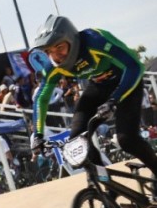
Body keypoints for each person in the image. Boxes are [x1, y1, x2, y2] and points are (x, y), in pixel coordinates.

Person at [28, 15, 157, 198]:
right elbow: (41, 98)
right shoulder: (53, 65)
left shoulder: (95, 40)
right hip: (98, 87)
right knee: (77, 141)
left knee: (126, 139)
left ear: (72, 40)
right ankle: (107, 183)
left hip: (126, 83)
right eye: (49, 51)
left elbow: (135, 66)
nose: (57, 56)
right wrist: (38, 135)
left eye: (60, 47)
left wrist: (114, 100)